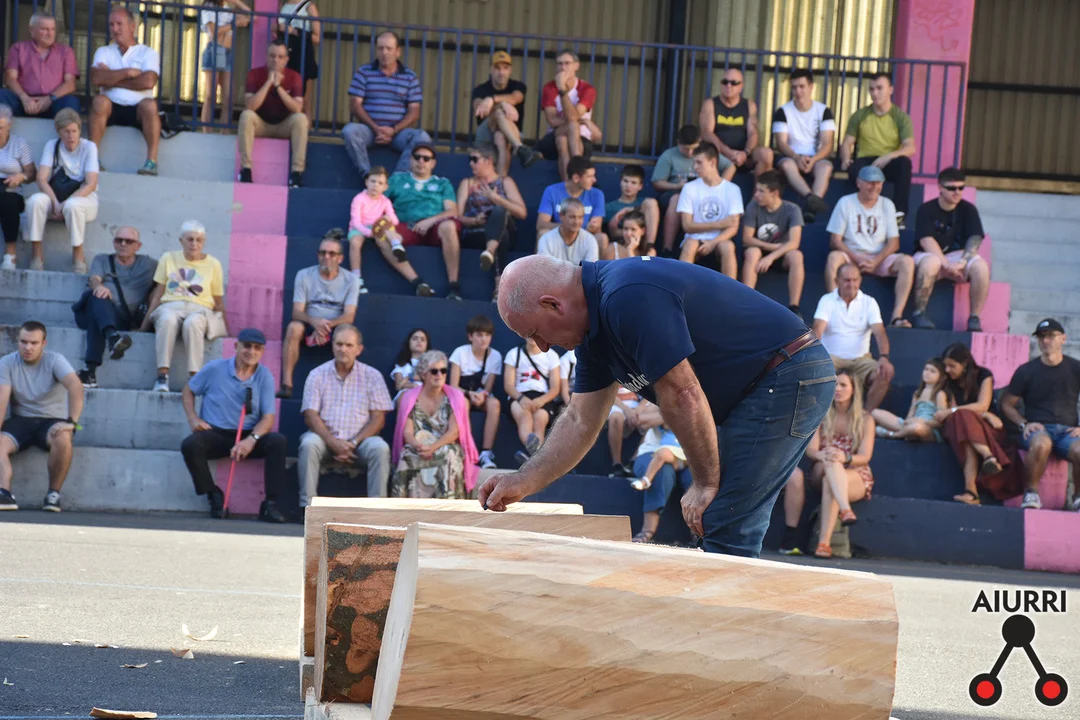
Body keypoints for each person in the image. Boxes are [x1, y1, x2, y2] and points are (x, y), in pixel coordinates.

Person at [478, 254, 834, 559]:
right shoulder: (593, 331)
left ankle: (722, 616)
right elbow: (579, 421)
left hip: (787, 369)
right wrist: (524, 480)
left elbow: (683, 393)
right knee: (719, 518)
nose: (541, 347)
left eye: (535, 333)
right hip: (758, 383)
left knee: (727, 521)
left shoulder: (626, 295)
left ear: (553, 304)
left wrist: (705, 482)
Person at [180, 328, 287, 522]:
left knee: (277, 442)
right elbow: (188, 390)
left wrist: (251, 440)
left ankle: (270, 504)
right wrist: (193, 419)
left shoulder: (265, 376)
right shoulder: (215, 368)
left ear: (262, 351)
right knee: (190, 445)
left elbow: (268, 418)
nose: (251, 352)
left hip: (248, 435)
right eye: (247, 346)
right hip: (216, 433)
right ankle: (213, 494)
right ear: (236, 346)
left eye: (257, 348)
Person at [781, 369, 875, 559]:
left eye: (843, 385)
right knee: (832, 463)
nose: (838, 389)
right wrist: (826, 455)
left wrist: (844, 458)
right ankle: (844, 509)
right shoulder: (822, 414)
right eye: (835, 385)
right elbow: (812, 451)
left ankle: (823, 544)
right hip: (822, 467)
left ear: (854, 390)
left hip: (854, 472)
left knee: (831, 480)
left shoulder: (865, 419)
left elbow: (865, 457)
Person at [298, 325, 393, 505]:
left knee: (380, 448)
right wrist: (333, 443)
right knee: (309, 444)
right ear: (332, 346)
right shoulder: (317, 375)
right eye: (339, 344)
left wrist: (354, 443)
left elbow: (378, 419)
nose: (343, 349)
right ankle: (307, 506)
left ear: (359, 349)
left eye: (349, 345)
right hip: (325, 441)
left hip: (361, 442)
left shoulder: (372, 376)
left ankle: (377, 508)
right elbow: (310, 415)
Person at [0, 321, 82, 512]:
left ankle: (53, 494)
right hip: (21, 420)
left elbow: (75, 386)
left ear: (43, 343)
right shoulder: (7, 362)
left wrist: (72, 422)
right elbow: (2, 397)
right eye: (23, 342)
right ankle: (4, 493)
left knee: (64, 437)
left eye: (34, 343)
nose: (28, 347)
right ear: (18, 341)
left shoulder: (54, 360)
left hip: (52, 420)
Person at [1001, 318, 1080, 511]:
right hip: (1038, 429)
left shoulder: (1075, 368)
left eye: (1051, 336)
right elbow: (1006, 404)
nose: (1045, 341)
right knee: (1041, 443)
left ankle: (1078, 497)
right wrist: (1023, 424)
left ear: (1063, 338)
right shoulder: (1026, 370)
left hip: (1068, 431)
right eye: (1041, 337)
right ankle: (1031, 493)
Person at [142, 220, 227, 392]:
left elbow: (217, 299)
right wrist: (144, 325)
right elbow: (158, 293)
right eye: (190, 239)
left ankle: (194, 379)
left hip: (200, 309)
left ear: (204, 241)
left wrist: (225, 326)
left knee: (193, 323)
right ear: (181, 241)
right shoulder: (168, 258)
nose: (194, 244)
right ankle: (162, 376)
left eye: (198, 240)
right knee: (167, 319)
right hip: (171, 305)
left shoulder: (214, 264)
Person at [824, 165, 914, 328]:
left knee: (907, 262)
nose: (874, 187)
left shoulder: (887, 204)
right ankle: (834, 311)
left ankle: (897, 316)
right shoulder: (846, 202)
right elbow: (835, 240)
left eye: (878, 183)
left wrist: (876, 260)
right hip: (852, 256)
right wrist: (856, 258)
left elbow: (894, 243)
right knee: (833, 258)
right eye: (870, 182)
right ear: (859, 183)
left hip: (879, 258)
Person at [936, 342, 1021, 506]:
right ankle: (988, 456)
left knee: (965, 429)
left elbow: (982, 404)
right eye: (945, 366)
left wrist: (958, 411)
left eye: (952, 366)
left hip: (984, 427)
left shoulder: (983, 375)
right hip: (961, 427)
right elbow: (953, 415)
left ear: (965, 364)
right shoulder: (948, 382)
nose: (947, 370)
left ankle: (971, 491)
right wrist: (970, 413)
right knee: (962, 421)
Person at [278, 232, 360, 398]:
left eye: (332, 253)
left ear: (340, 258)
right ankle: (287, 384)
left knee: (348, 333)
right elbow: (297, 312)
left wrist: (325, 327)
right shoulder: (304, 275)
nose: (326, 257)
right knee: (293, 327)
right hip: (309, 323)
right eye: (323, 253)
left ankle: (343, 387)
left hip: (336, 326)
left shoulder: (352, 280)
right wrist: (315, 322)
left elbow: (349, 316)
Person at [73, 226, 155, 387]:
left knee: (97, 318)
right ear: (113, 242)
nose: (123, 244)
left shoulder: (148, 265)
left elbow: (168, 276)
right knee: (97, 297)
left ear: (138, 246)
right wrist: (99, 287)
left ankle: (90, 372)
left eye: (129, 241)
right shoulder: (102, 260)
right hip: (90, 311)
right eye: (119, 240)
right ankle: (112, 337)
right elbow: (94, 279)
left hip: (120, 318)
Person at [391, 350, 480, 499]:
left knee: (449, 453)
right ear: (423, 374)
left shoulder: (455, 397)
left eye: (443, 371)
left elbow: (454, 431)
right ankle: (403, 506)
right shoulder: (409, 398)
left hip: (445, 444)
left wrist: (432, 447)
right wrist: (419, 446)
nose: (439, 375)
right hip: (419, 446)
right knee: (406, 454)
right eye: (434, 371)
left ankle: (449, 504)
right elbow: (407, 432)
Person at [909, 167, 988, 331]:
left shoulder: (968, 209)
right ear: (940, 187)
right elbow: (926, 240)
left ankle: (974, 317)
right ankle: (919, 313)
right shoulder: (927, 209)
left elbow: (975, 238)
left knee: (981, 267)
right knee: (931, 263)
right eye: (951, 188)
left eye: (961, 188)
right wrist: (946, 264)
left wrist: (962, 262)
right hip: (929, 254)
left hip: (958, 257)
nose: (957, 192)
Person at [342, 31, 431, 177]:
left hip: (398, 133)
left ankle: (398, 179)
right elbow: (355, 106)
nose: (384, 52)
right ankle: (368, 176)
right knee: (349, 131)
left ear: (398, 52)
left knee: (422, 137)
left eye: (389, 48)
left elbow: (414, 111)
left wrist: (393, 130)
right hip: (370, 131)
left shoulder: (409, 76)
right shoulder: (363, 72)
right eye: (380, 48)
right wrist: (376, 128)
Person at [24, 108, 99, 273]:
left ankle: (78, 256)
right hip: (55, 196)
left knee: (73, 205)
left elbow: (91, 184)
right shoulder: (52, 145)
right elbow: (41, 178)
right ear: (59, 132)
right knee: (35, 201)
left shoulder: (89, 147)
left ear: (79, 131)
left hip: (83, 199)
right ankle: (36, 255)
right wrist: (55, 203)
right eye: (66, 131)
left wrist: (64, 204)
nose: (71, 136)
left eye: (74, 131)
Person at [88, 7, 161, 177]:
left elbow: (148, 82)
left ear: (132, 26)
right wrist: (128, 73)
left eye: (119, 24)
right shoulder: (103, 51)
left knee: (150, 105)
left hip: (138, 110)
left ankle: (151, 162)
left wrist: (111, 79)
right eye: (111, 24)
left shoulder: (147, 53)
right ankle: (92, 159)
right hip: (110, 108)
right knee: (99, 101)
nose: (115, 29)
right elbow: (97, 79)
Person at [384, 144, 462, 300]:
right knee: (382, 234)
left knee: (449, 225)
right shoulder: (397, 179)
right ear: (410, 160)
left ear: (433, 163)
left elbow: (452, 211)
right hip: (406, 226)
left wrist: (429, 221)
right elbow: (378, 201)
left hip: (434, 228)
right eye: (417, 157)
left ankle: (454, 286)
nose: (421, 161)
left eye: (426, 158)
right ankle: (417, 283)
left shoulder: (442, 183)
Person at [838, 72, 916, 228]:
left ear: (890, 90)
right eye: (872, 89)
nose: (875, 93)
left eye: (879, 88)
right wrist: (845, 158)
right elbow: (847, 143)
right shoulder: (860, 115)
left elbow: (910, 147)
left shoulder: (900, 117)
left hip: (889, 160)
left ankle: (899, 214)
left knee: (904, 164)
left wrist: (888, 156)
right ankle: (857, 213)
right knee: (855, 169)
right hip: (866, 160)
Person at [812, 263, 894, 410]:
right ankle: (819, 417)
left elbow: (880, 332)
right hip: (831, 359)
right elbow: (818, 329)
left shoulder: (869, 302)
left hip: (861, 360)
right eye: (847, 280)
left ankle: (865, 416)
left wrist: (884, 357)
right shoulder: (827, 300)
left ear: (860, 280)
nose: (851, 284)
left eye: (855, 280)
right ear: (837, 281)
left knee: (885, 373)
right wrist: (813, 356)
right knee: (813, 368)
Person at [457, 143, 528, 299]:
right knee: (501, 236)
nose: (471, 163)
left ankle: (489, 251)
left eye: (475, 159)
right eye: (470, 159)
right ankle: (498, 290)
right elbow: (458, 216)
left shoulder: (505, 182)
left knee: (499, 212)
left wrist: (496, 198)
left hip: (503, 227)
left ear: (488, 160)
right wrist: (475, 220)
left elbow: (522, 213)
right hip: (477, 230)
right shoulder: (467, 183)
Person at [238, 39, 308, 188]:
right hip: (261, 124)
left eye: (280, 57)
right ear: (266, 56)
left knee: (301, 119)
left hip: (284, 126)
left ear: (286, 60)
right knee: (246, 116)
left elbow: (297, 108)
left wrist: (278, 86)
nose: (276, 60)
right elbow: (250, 106)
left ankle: (297, 173)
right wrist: (268, 82)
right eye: (272, 56)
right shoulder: (254, 74)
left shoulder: (294, 76)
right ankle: (245, 169)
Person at [772, 68, 835, 221]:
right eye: (794, 87)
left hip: (816, 157)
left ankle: (811, 205)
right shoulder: (783, 111)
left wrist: (813, 160)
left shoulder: (824, 111)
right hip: (791, 156)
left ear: (811, 87)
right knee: (787, 165)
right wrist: (796, 157)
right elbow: (781, 143)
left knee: (826, 167)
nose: (798, 91)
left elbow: (827, 144)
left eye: (802, 86)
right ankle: (811, 199)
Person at [741, 169, 805, 314]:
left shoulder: (792, 209)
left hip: (781, 255)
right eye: (757, 190)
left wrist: (770, 257)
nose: (756, 194)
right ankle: (746, 300)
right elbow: (747, 238)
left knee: (796, 255)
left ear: (774, 193)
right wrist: (771, 247)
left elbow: (794, 242)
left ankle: (794, 307)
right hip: (760, 252)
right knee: (752, 252)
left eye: (761, 191)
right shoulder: (753, 206)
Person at [627, 402, 692, 543]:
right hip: (651, 453)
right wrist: (671, 414)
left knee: (696, 478)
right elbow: (639, 420)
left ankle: (698, 534)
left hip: (687, 456)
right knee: (662, 471)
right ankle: (648, 531)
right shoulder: (656, 399)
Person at [677, 144, 743, 278]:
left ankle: (730, 290)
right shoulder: (689, 188)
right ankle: (681, 288)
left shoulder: (732, 189)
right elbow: (687, 226)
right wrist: (721, 224)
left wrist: (713, 243)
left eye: (699, 162)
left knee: (728, 247)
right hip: (695, 238)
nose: (695, 167)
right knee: (690, 244)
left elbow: (733, 227)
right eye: (694, 162)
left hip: (720, 239)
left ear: (712, 162)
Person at [448, 315, 503, 470]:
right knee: (463, 402)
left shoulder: (496, 356)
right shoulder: (460, 352)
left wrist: (482, 395)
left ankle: (486, 453)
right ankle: (465, 450)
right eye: (479, 335)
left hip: (480, 397)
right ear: (470, 337)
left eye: (487, 335)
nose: (483, 339)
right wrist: (468, 394)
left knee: (494, 404)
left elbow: (488, 388)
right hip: (462, 396)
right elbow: (453, 386)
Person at [652, 124, 717, 254]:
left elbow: (730, 166)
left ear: (700, 142)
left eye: (693, 148)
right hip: (675, 192)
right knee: (677, 199)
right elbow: (657, 182)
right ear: (678, 143)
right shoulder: (669, 155)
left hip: (702, 193)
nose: (690, 153)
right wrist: (678, 186)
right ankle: (667, 249)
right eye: (686, 149)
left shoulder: (706, 153)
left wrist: (717, 186)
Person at [1, 12, 80, 118]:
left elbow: (70, 83)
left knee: (71, 102)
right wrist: (25, 99)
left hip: (53, 102)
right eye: (44, 29)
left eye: (53, 29)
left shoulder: (66, 52)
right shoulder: (18, 49)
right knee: (2, 95)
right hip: (23, 101)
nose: (50, 34)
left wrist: (49, 99)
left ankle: (68, 129)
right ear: (31, 30)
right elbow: (10, 79)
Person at [471, 51, 538, 174]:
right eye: (497, 68)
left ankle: (500, 181)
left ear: (510, 70)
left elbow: (516, 98)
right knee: (498, 113)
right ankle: (520, 147)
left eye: (505, 68)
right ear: (491, 70)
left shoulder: (518, 86)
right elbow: (479, 109)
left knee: (500, 136)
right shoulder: (480, 90)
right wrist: (502, 105)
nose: (501, 72)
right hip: (485, 136)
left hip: (510, 134)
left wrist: (492, 99)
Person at [538, 50, 601, 180]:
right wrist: (578, 121)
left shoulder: (586, 89)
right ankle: (579, 168)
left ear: (576, 66)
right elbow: (553, 121)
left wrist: (562, 90)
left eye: (567, 63)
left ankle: (568, 182)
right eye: (559, 64)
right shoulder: (549, 88)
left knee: (563, 140)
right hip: (553, 137)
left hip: (581, 138)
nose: (563, 67)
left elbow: (573, 117)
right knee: (572, 125)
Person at [698, 68, 772, 176]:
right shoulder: (710, 104)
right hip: (719, 154)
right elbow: (707, 133)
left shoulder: (749, 105)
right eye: (725, 82)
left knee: (766, 154)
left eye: (734, 83)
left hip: (743, 156)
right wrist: (729, 152)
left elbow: (753, 133)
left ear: (741, 86)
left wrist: (745, 153)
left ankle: (761, 187)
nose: (729, 86)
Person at [503, 337, 562, 467]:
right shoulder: (514, 354)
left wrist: (541, 401)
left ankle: (532, 458)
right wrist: (521, 398)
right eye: (530, 334)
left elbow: (555, 389)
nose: (533, 337)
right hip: (519, 395)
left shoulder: (552, 356)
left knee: (539, 420)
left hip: (543, 397)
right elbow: (508, 385)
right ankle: (536, 458)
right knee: (525, 417)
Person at [536, 155, 608, 257]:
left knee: (602, 238)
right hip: (559, 237)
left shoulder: (597, 194)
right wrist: (567, 227)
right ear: (576, 178)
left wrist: (587, 227)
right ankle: (538, 266)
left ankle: (597, 268)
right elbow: (541, 224)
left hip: (583, 239)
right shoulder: (552, 191)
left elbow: (597, 227)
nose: (594, 180)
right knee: (542, 233)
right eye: (589, 176)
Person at [347, 166, 403, 289]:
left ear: (385, 187)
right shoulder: (359, 199)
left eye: (380, 183)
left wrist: (388, 218)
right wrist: (368, 233)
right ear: (366, 182)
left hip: (377, 227)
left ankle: (396, 246)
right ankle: (356, 277)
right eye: (372, 181)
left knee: (393, 231)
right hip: (360, 228)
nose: (375, 185)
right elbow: (356, 222)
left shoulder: (385, 201)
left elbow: (395, 221)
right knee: (355, 242)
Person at [871, 358, 950, 442]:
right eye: (926, 369)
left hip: (928, 429)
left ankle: (893, 435)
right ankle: (906, 433)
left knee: (917, 428)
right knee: (875, 412)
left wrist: (922, 421)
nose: (927, 373)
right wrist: (908, 422)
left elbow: (939, 422)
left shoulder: (939, 394)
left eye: (932, 371)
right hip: (912, 424)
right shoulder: (917, 393)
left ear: (942, 378)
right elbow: (911, 413)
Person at [199, 0, 251, 127]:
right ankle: (206, 132)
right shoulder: (208, 7)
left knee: (228, 97)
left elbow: (250, 17)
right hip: (215, 49)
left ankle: (224, 132)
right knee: (211, 96)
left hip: (227, 53)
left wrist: (236, 2)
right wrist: (235, 24)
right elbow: (213, 31)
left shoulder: (228, 8)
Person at [0, 104, 35, 270]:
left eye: (0, 127)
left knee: (8, 202)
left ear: (9, 125)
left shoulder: (19, 144)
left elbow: (32, 173)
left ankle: (10, 254)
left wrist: (21, 176)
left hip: (11, 190)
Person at [276, 1, 320, 122]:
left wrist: (294, 31)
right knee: (285, 94)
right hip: (285, 54)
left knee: (304, 99)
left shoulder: (309, 6)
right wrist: (278, 29)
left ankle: (305, 129)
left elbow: (317, 37)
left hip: (302, 54)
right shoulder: (282, 4)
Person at [604, 166, 660, 254]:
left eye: (633, 183)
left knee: (651, 203)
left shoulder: (644, 203)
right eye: (625, 181)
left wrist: (630, 209)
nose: (628, 186)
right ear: (620, 182)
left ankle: (649, 246)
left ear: (640, 186)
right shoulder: (609, 207)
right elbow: (612, 232)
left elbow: (652, 207)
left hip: (642, 245)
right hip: (620, 245)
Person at [536, 198, 599, 265]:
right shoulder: (546, 240)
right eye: (572, 217)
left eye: (580, 217)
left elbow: (591, 269)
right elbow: (545, 268)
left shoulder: (590, 240)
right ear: (561, 216)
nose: (576, 222)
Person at [605, 383, 642, 478]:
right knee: (616, 418)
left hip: (637, 403)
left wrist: (639, 408)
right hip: (614, 403)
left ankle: (633, 462)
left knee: (651, 419)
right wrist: (626, 410)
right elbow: (606, 393)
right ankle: (617, 464)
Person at [390, 328, 430, 402]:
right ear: (409, 343)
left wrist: (408, 380)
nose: (419, 341)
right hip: (406, 398)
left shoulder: (432, 364)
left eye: (422, 339)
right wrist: (411, 381)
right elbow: (398, 386)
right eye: (415, 339)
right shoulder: (401, 365)